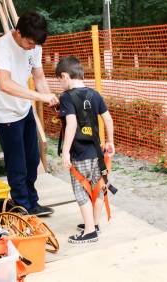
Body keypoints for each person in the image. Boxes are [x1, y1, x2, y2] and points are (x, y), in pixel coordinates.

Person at [0, 10, 59, 216]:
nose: (33, 48)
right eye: (30, 43)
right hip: (6, 114)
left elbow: (39, 78)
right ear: (18, 32)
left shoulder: (34, 45)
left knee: (32, 160)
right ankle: (22, 208)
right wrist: (39, 97)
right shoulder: (2, 48)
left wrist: (50, 99)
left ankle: (32, 202)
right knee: (17, 164)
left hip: (24, 109)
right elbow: (4, 84)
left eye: (36, 45)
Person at [56, 56, 115, 243]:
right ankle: (94, 224)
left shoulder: (66, 97)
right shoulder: (95, 94)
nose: (61, 84)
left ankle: (89, 231)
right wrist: (110, 141)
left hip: (79, 155)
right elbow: (108, 119)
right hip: (97, 154)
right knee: (97, 188)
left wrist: (65, 152)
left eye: (60, 80)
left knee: (81, 191)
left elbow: (71, 124)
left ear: (65, 76)